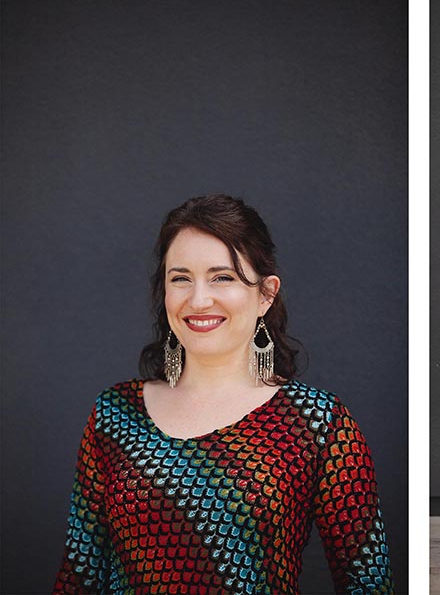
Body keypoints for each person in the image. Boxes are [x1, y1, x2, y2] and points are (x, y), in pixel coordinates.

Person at [53, 195, 393, 594]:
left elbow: (368, 581)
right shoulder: (114, 414)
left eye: (222, 277)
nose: (198, 300)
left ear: (265, 294)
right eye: (180, 278)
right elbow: (78, 575)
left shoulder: (318, 421)